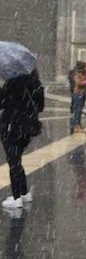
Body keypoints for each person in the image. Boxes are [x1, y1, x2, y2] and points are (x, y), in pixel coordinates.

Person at [0, 69, 44, 209]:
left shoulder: (12, 83)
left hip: (12, 126)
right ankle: (24, 193)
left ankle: (16, 197)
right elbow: (40, 107)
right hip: (28, 128)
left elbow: (1, 103)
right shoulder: (36, 84)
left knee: (13, 162)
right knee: (17, 159)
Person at [68, 61, 86, 133]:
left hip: (82, 93)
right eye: (85, 66)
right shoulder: (78, 73)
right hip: (78, 93)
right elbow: (78, 82)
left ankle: (78, 124)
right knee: (77, 110)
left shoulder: (84, 73)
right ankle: (76, 125)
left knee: (80, 109)